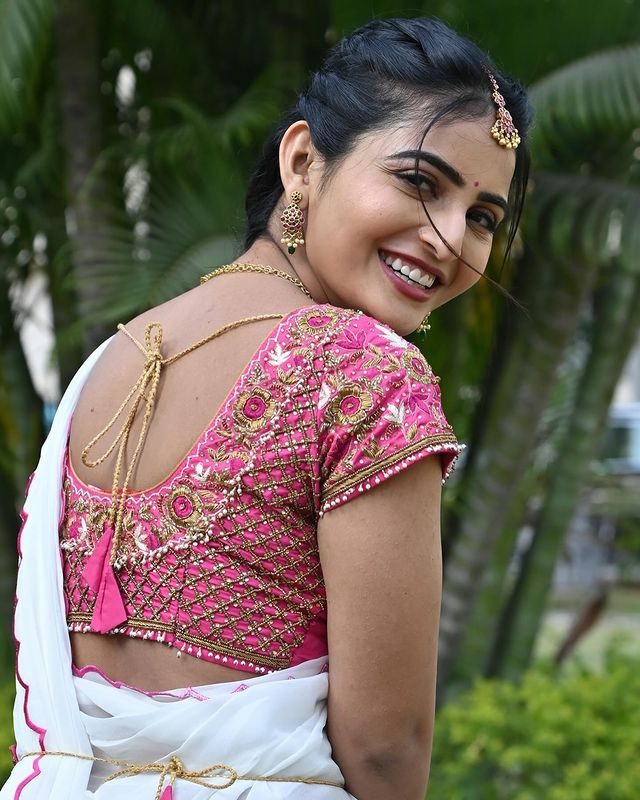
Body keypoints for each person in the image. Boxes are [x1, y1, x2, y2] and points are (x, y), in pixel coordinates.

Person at [3, 16, 532, 800]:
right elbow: (385, 752)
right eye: (421, 183)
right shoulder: (364, 374)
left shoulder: (110, 359)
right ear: (302, 161)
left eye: (483, 217)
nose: (451, 238)